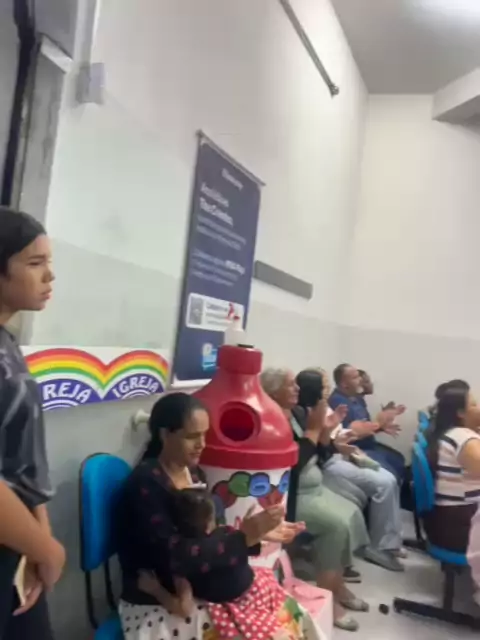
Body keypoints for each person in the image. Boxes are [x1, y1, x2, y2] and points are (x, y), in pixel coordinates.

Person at [115, 392, 323, 640]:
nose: (201, 444)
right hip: (165, 598)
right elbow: (175, 558)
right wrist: (242, 539)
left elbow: (210, 534)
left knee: (292, 615)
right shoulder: (146, 485)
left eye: (204, 434)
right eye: (192, 436)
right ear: (164, 434)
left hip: (208, 584)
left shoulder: (193, 474)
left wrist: (256, 535)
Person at [261, 368, 370, 632]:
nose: (297, 388)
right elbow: (293, 467)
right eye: (290, 385)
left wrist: (324, 433)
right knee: (335, 526)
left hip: (314, 487)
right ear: (273, 392)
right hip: (292, 496)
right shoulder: (270, 420)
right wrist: (313, 430)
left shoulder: (298, 412)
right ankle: (329, 598)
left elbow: (320, 454)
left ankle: (337, 585)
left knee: (352, 509)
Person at [0, 207, 65, 640]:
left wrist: (38, 539)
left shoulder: (8, 342)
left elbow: (20, 458)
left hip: (16, 540)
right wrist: (47, 549)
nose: (49, 276)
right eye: (34, 263)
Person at [296, 369, 404, 572]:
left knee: (389, 476)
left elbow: (328, 440)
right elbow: (316, 447)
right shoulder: (308, 411)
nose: (328, 389)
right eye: (324, 385)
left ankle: (389, 542)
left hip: (338, 453)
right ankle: (379, 546)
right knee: (384, 483)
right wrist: (338, 441)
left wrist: (338, 440)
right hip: (328, 462)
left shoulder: (325, 405)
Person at [424, 386, 480, 553]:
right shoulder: (463, 437)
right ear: (461, 413)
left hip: (451, 522)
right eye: (474, 405)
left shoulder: (452, 433)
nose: (479, 408)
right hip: (463, 528)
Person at [329, 365, 406, 482]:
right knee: (391, 474)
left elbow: (366, 428)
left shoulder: (357, 398)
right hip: (356, 451)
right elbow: (352, 433)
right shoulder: (337, 402)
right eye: (355, 377)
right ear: (344, 384)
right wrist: (379, 423)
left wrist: (381, 427)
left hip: (369, 445)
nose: (360, 380)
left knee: (399, 460)